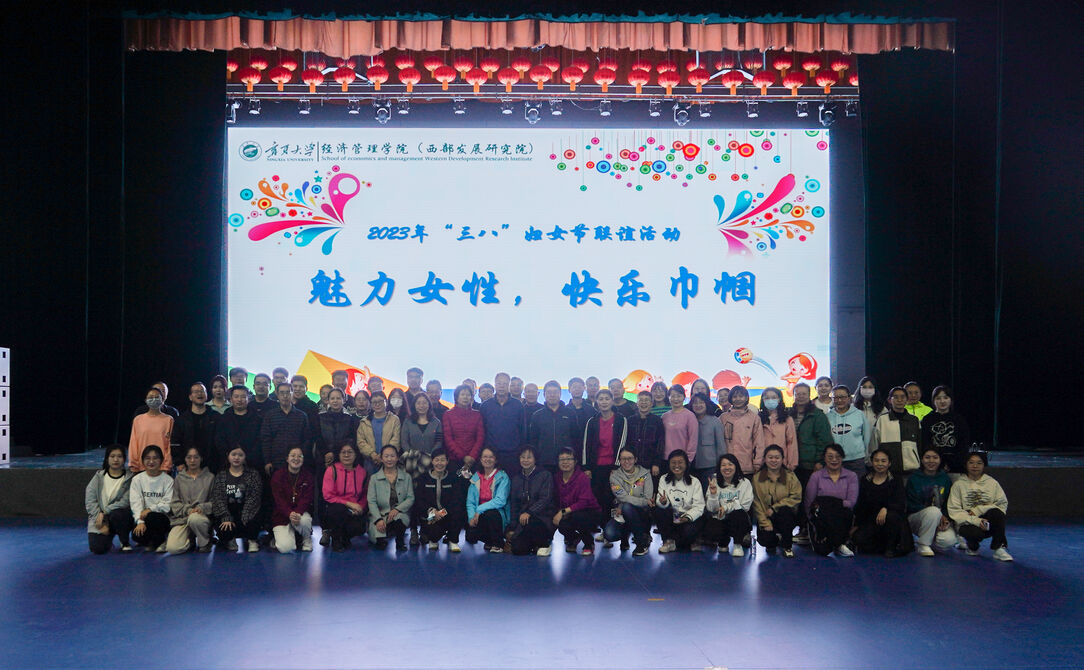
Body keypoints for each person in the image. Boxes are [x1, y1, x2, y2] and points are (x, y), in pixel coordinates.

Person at [947, 451, 1012, 561]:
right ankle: (972, 546)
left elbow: (1002, 504)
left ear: (984, 465)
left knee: (997, 513)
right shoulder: (958, 484)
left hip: (988, 522)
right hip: (968, 523)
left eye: (979, 463)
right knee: (972, 532)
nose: (975, 466)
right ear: (966, 465)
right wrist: (976, 521)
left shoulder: (992, 483)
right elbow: (954, 510)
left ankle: (999, 548)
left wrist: (979, 510)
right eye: (971, 462)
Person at [790, 382, 833, 545]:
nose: (800, 396)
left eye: (804, 393)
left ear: (809, 396)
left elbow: (825, 440)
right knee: (796, 499)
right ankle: (798, 528)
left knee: (809, 499)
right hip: (793, 465)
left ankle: (808, 531)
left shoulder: (817, 415)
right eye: (797, 393)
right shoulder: (788, 414)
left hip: (811, 465)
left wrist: (820, 462)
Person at [853, 449, 913, 557]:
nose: (880, 464)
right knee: (858, 539)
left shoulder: (896, 479)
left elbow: (901, 503)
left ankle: (891, 547)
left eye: (883, 461)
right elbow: (861, 505)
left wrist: (886, 508)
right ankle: (881, 546)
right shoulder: (865, 480)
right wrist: (856, 525)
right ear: (872, 462)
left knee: (891, 517)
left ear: (889, 463)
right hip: (872, 520)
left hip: (892, 519)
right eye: (876, 460)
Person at [402, 392, 444, 544]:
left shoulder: (436, 422)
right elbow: (404, 442)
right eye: (418, 403)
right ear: (414, 405)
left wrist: (428, 458)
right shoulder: (408, 421)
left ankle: (426, 530)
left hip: (430, 465)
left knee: (427, 499)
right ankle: (413, 530)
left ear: (429, 405)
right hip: (412, 465)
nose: (421, 405)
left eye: (424, 402)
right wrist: (415, 456)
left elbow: (439, 442)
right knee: (414, 498)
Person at [804, 443, 859, 557]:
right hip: (821, 518)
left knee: (843, 513)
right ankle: (835, 543)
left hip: (842, 517)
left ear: (842, 458)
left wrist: (828, 503)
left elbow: (851, 502)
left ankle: (840, 543)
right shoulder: (816, 476)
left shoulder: (851, 476)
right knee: (823, 550)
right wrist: (812, 518)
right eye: (830, 457)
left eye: (838, 456)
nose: (834, 460)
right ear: (824, 458)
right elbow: (809, 502)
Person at [750, 444, 802, 557]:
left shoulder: (790, 476)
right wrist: (765, 523)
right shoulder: (757, 478)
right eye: (770, 457)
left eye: (777, 457)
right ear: (765, 459)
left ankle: (787, 546)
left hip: (786, 516)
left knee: (785, 512)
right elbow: (756, 503)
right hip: (766, 516)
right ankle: (776, 539)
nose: (774, 460)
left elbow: (796, 497)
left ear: (782, 459)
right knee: (765, 540)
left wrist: (775, 508)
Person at [582, 389, 628, 515]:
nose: (604, 402)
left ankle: (610, 524)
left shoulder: (621, 420)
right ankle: (599, 524)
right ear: (597, 401)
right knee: (597, 497)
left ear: (612, 401)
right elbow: (586, 445)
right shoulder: (592, 421)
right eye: (601, 399)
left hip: (613, 467)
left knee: (611, 497)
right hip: (596, 466)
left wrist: (616, 466)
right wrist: (586, 467)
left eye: (607, 399)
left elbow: (622, 443)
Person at [906, 447, 958, 556]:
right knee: (933, 512)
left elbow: (949, 502)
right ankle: (923, 544)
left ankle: (929, 538)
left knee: (949, 541)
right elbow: (910, 504)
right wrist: (936, 514)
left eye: (935, 457)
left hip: (939, 518)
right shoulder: (913, 478)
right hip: (916, 518)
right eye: (927, 457)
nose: (931, 461)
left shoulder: (945, 479)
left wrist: (945, 517)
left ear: (940, 460)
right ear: (922, 460)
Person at [505, 446, 556, 556]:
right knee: (518, 549)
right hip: (523, 521)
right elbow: (514, 504)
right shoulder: (516, 479)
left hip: (542, 518)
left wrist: (529, 512)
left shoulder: (545, 475)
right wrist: (513, 526)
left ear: (535, 459)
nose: (525, 460)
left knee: (532, 522)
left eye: (529, 457)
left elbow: (546, 499)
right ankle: (534, 544)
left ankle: (544, 544)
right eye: (522, 457)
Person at [603, 447, 654, 556]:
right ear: (619, 460)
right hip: (621, 515)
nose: (626, 461)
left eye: (630, 458)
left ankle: (641, 544)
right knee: (609, 534)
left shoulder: (646, 474)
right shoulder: (614, 476)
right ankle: (625, 535)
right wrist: (640, 501)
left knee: (626, 507)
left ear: (635, 459)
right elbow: (622, 497)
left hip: (642, 512)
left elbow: (648, 498)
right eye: (623, 459)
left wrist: (623, 504)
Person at [212, 445, 263, 552]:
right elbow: (218, 498)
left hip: (247, 512)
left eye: (240, 455)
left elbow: (254, 497)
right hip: (229, 513)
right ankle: (230, 540)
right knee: (225, 528)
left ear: (245, 457)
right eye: (233, 454)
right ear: (228, 456)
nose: (236, 458)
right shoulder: (221, 475)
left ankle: (252, 540)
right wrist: (226, 517)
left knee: (253, 521)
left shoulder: (253, 474)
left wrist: (245, 516)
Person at [415, 448, 468, 551]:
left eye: (443, 460)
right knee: (432, 531)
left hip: (447, 513)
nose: (440, 463)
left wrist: (441, 513)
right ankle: (433, 540)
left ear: (447, 461)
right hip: (430, 515)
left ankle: (453, 540)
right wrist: (432, 511)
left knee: (459, 511)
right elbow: (419, 500)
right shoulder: (423, 478)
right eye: (437, 460)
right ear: (432, 461)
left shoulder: (453, 478)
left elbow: (457, 499)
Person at [85, 445, 134, 554]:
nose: (116, 459)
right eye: (112, 456)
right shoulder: (98, 477)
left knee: (119, 514)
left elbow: (125, 501)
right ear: (107, 458)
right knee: (97, 549)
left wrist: (105, 512)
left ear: (124, 459)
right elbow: (90, 500)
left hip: (118, 516)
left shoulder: (130, 479)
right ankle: (109, 535)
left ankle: (124, 541)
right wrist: (99, 518)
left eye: (119, 456)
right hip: (100, 518)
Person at [653, 450, 705, 553]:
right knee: (658, 511)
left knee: (688, 533)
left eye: (680, 462)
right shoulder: (663, 479)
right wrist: (663, 502)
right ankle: (669, 541)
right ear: (669, 464)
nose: (677, 465)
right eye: (673, 462)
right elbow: (660, 500)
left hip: (687, 518)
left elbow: (699, 506)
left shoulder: (694, 481)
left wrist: (686, 518)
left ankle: (689, 540)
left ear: (686, 464)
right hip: (672, 518)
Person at [166, 447, 214, 554]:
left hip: (201, 517)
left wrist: (202, 508)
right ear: (185, 459)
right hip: (183, 519)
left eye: (196, 457)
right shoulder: (179, 479)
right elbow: (174, 503)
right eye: (189, 457)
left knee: (195, 519)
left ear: (201, 459)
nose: (192, 460)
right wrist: (187, 510)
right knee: (173, 548)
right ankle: (190, 540)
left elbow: (215, 501)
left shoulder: (210, 477)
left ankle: (205, 542)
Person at [703, 453, 754, 556]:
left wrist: (726, 507)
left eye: (730, 464)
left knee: (738, 515)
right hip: (720, 518)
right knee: (710, 529)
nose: (727, 468)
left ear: (736, 466)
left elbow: (744, 506)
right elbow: (711, 509)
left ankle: (737, 544)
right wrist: (713, 494)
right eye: (723, 465)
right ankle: (723, 542)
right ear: (719, 468)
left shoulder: (745, 482)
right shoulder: (714, 482)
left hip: (738, 519)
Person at [554, 447, 601, 555]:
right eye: (562, 459)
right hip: (569, 511)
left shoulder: (582, 477)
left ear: (575, 461)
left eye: (569, 459)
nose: (565, 462)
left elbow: (584, 502)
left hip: (589, 511)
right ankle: (574, 538)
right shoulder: (556, 478)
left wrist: (563, 512)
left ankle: (589, 544)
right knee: (561, 525)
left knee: (578, 517)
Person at [367, 445, 414, 551]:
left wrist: (397, 509)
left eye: (392, 456)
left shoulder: (406, 477)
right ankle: (382, 534)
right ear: (381, 458)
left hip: (399, 513)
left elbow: (410, 498)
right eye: (386, 456)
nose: (389, 459)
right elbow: (371, 501)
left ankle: (400, 542)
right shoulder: (374, 478)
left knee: (400, 519)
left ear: (397, 458)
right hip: (381, 514)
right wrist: (378, 519)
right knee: (377, 542)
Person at [322, 443, 368, 552]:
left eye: (350, 452)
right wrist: (349, 504)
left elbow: (365, 495)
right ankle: (336, 540)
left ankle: (344, 537)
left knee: (360, 528)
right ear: (339, 455)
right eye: (343, 452)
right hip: (336, 509)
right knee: (338, 510)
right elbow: (328, 495)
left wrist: (360, 507)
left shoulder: (362, 472)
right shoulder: (332, 470)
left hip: (354, 510)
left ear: (355, 454)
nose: (346, 455)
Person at [270, 446, 315, 553]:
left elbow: (307, 498)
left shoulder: (308, 476)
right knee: (286, 548)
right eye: (293, 455)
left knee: (305, 520)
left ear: (303, 459)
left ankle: (306, 539)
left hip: (300, 514)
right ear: (287, 459)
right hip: (282, 515)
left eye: (300, 456)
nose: (296, 458)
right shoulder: (278, 475)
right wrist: (289, 513)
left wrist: (298, 513)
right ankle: (284, 537)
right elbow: (278, 500)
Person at [130, 445, 174, 552]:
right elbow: (135, 503)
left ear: (161, 460)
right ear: (142, 461)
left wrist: (150, 509)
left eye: (155, 458)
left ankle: (162, 539)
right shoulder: (137, 479)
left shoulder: (168, 480)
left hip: (162, 518)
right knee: (137, 535)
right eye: (148, 458)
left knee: (153, 517)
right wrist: (140, 522)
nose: (151, 461)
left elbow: (167, 504)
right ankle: (152, 541)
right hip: (144, 518)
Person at [465, 447, 510, 552]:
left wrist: (479, 509)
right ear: (480, 459)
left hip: (497, 515)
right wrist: (471, 517)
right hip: (479, 515)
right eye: (485, 457)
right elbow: (470, 502)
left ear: (496, 460)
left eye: (491, 457)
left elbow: (500, 500)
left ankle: (498, 544)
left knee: (491, 514)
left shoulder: (503, 477)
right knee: (471, 536)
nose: (487, 459)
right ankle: (489, 541)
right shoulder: (476, 477)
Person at [527, 380, 578, 472]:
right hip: (543, 462)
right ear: (544, 395)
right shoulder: (537, 415)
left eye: (555, 392)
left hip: (566, 462)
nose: (552, 395)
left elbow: (576, 438)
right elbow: (533, 440)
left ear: (560, 394)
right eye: (549, 392)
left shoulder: (570, 413)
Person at [869, 386, 922, 474]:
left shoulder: (914, 420)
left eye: (902, 397)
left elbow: (920, 444)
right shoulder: (882, 420)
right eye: (896, 397)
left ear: (907, 400)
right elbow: (874, 444)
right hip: (888, 469)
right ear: (889, 400)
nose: (899, 400)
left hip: (912, 469)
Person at [921, 385, 972, 474]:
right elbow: (924, 443)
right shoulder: (927, 420)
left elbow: (964, 444)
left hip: (956, 467)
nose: (942, 401)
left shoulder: (959, 419)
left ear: (951, 400)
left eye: (945, 398)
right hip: (932, 466)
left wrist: (953, 463)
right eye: (938, 398)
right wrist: (937, 463)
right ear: (933, 401)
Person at [261, 382, 310, 475]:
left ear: (292, 393)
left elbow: (306, 439)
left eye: (288, 392)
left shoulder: (301, 416)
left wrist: (300, 457)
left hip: (296, 461)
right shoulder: (270, 415)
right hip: (275, 461)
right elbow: (266, 439)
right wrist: (267, 461)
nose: (285, 396)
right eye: (282, 393)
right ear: (277, 394)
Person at [479, 373, 525, 470]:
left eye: (505, 383)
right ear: (495, 385)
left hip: (512, 454)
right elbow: (482, 431)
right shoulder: (485, 406)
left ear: (509, 385)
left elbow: (522, 430)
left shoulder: (518, 405)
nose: (501, 386)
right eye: (499, 383)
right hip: (491, 455)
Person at [213, 385, 261, 473]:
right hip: (228, 464)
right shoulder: (224, 418)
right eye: (236, 396)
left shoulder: (257, 419)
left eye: (243, 397)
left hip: (252, 463)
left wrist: (247, 457)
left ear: (248, 399)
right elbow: (219, 440)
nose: (239, 400)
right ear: (231, 399)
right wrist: (231, 455)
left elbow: (259, 441)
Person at [825, 385, 871, 477]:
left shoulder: (859, 414)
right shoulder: (827, 417)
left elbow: (866, 437)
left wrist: (865, 455)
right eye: (836, 397)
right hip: (834, 460)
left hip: (856, 460)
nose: (839, 400)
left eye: (842, 397)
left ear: (849, 398)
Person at [173, 382, 218, 469]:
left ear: (206, 395)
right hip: (188, 466)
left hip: (212, 466)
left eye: (202, 391)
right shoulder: (182, 419)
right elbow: (175, 442)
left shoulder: (216, 417)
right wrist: (179, 462)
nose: (200, 393)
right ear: (190, 397)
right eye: (196, 391)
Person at [128, 387, 174, 473]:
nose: (154, 399)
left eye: (157, 397)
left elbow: (170, 445)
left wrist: (166, 466)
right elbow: (133, 443)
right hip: (141, 466)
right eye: (151, 397)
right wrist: (134, 463)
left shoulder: (169, 420)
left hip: (162, 467)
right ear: (146, 400)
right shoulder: (138, 420)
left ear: (162, 400)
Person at [721, 386, 763, 475]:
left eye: (741, 396)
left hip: (747, 466)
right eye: (735, 396)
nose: (738, 399)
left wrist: (757, 462)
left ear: (746, 398)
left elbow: (759, 443)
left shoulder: (754, 418)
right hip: (726, 467)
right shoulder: (723, 418)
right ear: (730, 398)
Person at [442, 384, 484, 472]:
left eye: (468, 395)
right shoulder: (448, 415)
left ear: (471, 397)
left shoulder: (477, 415)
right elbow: (448, 439)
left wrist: (472, 456)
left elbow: (480, 438)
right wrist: (463, 456)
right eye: (462, 394)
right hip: (454, 459)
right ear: (456, 397)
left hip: (473, 459)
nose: (465, 397)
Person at [356, 392, 401, 470]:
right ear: (370, 404)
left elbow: (396, 440)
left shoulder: (394, 420)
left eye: (380, 401)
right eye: (374, 402)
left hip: (389, 460)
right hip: (370, 461)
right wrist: (373, 454)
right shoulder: (364, 422)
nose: (377, 404)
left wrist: (383, 455)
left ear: (386, 402)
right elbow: (361, 441)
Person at [627, 391, 665, 480]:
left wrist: (656, 463)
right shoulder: (630, 420)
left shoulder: (657, 421)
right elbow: (627, 442)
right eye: (641, 400)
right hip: (633, 462)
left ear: (651, 403)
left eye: (647, 400)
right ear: (637, 403)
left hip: (651, 463)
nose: (643, 402)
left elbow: (660, 443)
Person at [759, 387, 797, 470]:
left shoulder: (787, 419)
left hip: (782, 462)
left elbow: (791, 443)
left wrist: (791, 464)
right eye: (767, 398)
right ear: (763, 400)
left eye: (773, 397)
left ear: (779, 399)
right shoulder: (758, 419)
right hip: (762, 463)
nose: (770, 400)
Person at [690, 393, 725, 484]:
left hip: (710, 466)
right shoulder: (689, 420)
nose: (698, 405)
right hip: (691, 465)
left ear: (707, 404)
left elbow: (721, 446)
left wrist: (721, 464)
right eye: (695, 403)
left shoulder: (715, 421)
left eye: (701, 402)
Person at [661, 385, 697, 463]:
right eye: (673, 396)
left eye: (679, 396)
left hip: (683, 459)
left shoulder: (690, 416)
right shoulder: (664, 416)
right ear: (668, 397)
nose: (676, 399)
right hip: (666, 458)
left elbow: (693, 440)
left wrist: (688, 459)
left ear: (684, 397)